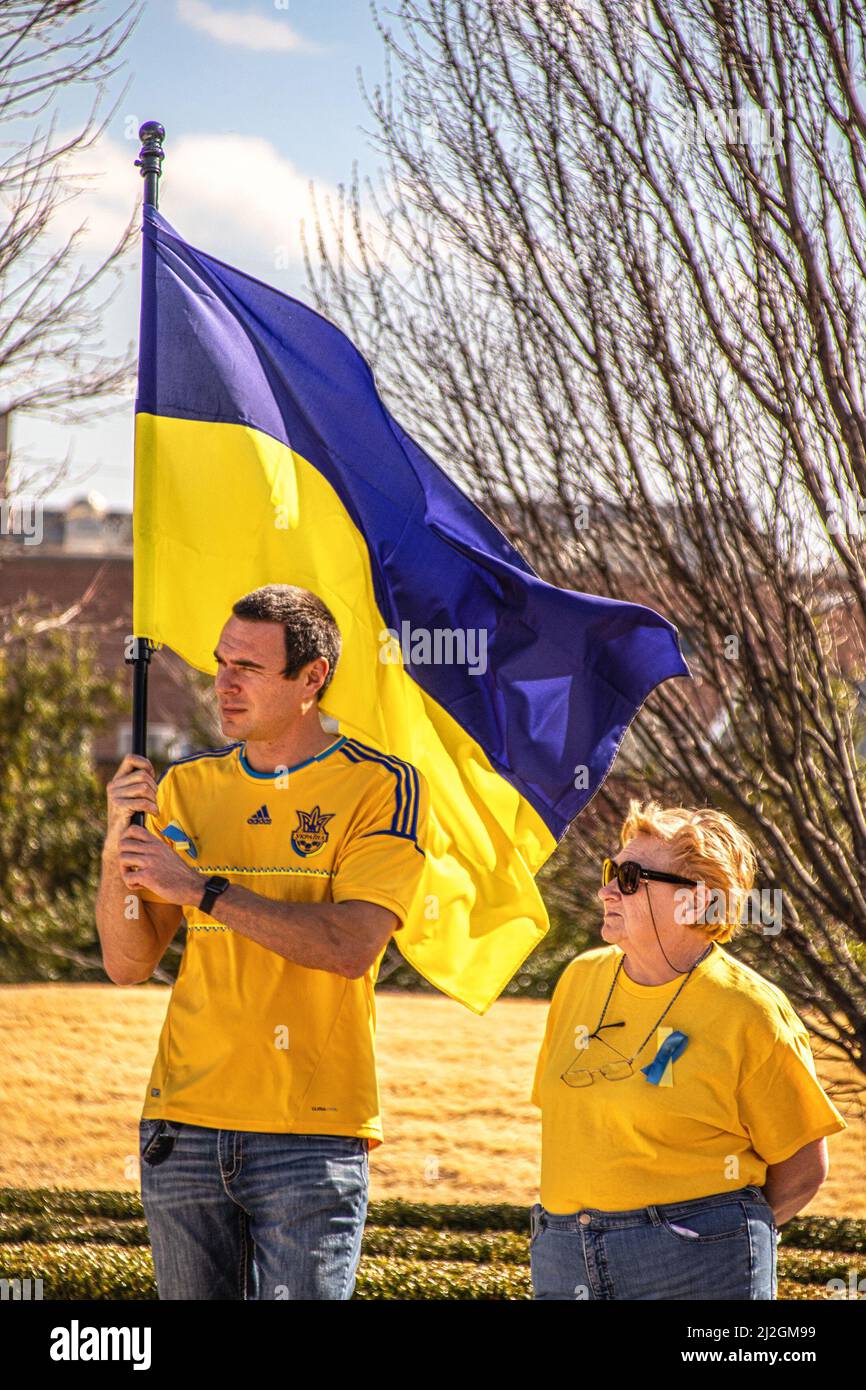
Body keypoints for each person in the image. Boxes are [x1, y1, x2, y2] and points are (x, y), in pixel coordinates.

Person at [95, 584, 429, 1300]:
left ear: (313, 679)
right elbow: (128, 963)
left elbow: (350, 945)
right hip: (181, 1129)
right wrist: (115, 841)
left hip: (309, 1138)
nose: (225, 683)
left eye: (248, 667)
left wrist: (203, 890)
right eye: (221, 663)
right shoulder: (183, 788)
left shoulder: (383, 786)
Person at [529, 800, 847, 1301]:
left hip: (694, 1269)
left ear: (696, 903)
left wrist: (703, 1238)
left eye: (630, 877)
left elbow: (804, 1168)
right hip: (563, 1257)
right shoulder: (578, 980)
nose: (605, 889)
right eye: (613, 870)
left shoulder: (750, 1010)